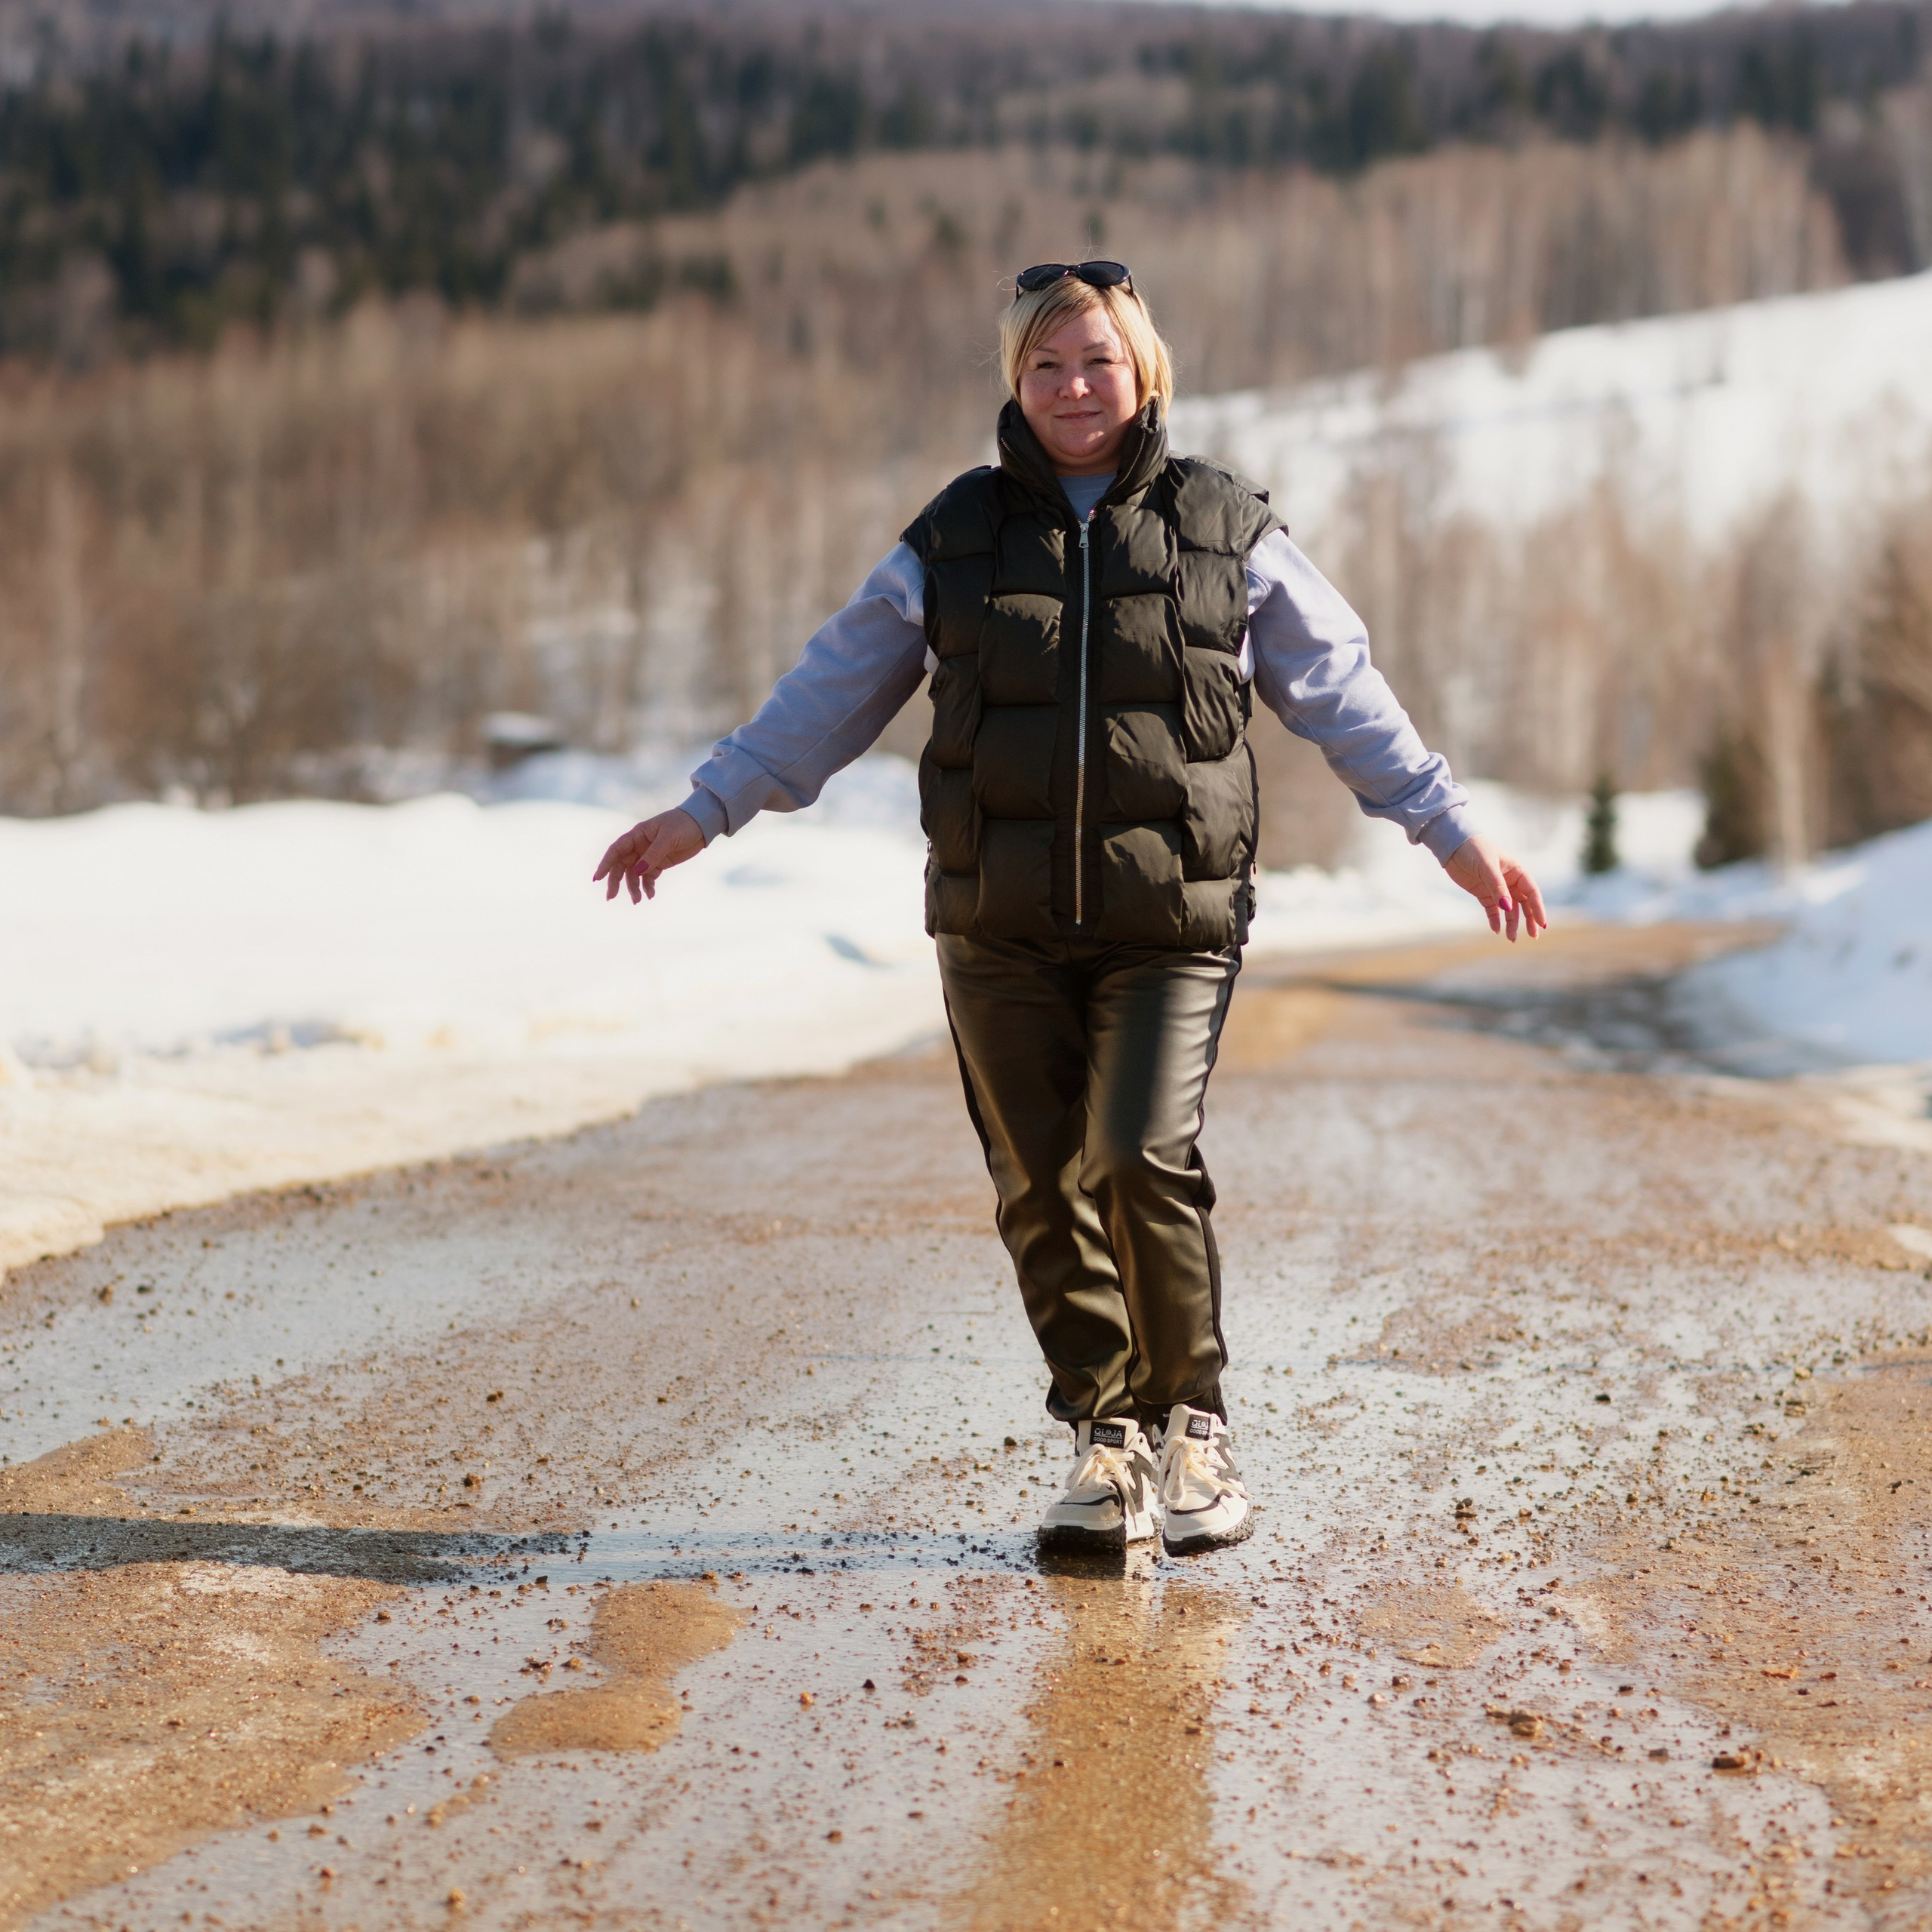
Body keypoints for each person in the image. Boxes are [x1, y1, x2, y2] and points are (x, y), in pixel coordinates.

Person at [595, 260, 1546, 1557]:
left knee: (1141, 1150)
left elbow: (1341, 689)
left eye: (1096, 360)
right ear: (1015, 385)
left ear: (1142, 369)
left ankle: (1194, 1430)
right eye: (1045, 366)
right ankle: (1107, 1443)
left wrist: (1449, 831)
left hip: (1173, 925)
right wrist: (707, 808)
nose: (1073, 387)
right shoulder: (958, 536)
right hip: (999, 923)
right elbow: (831, 689)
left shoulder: (1227, 527)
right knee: (1040, 1184)